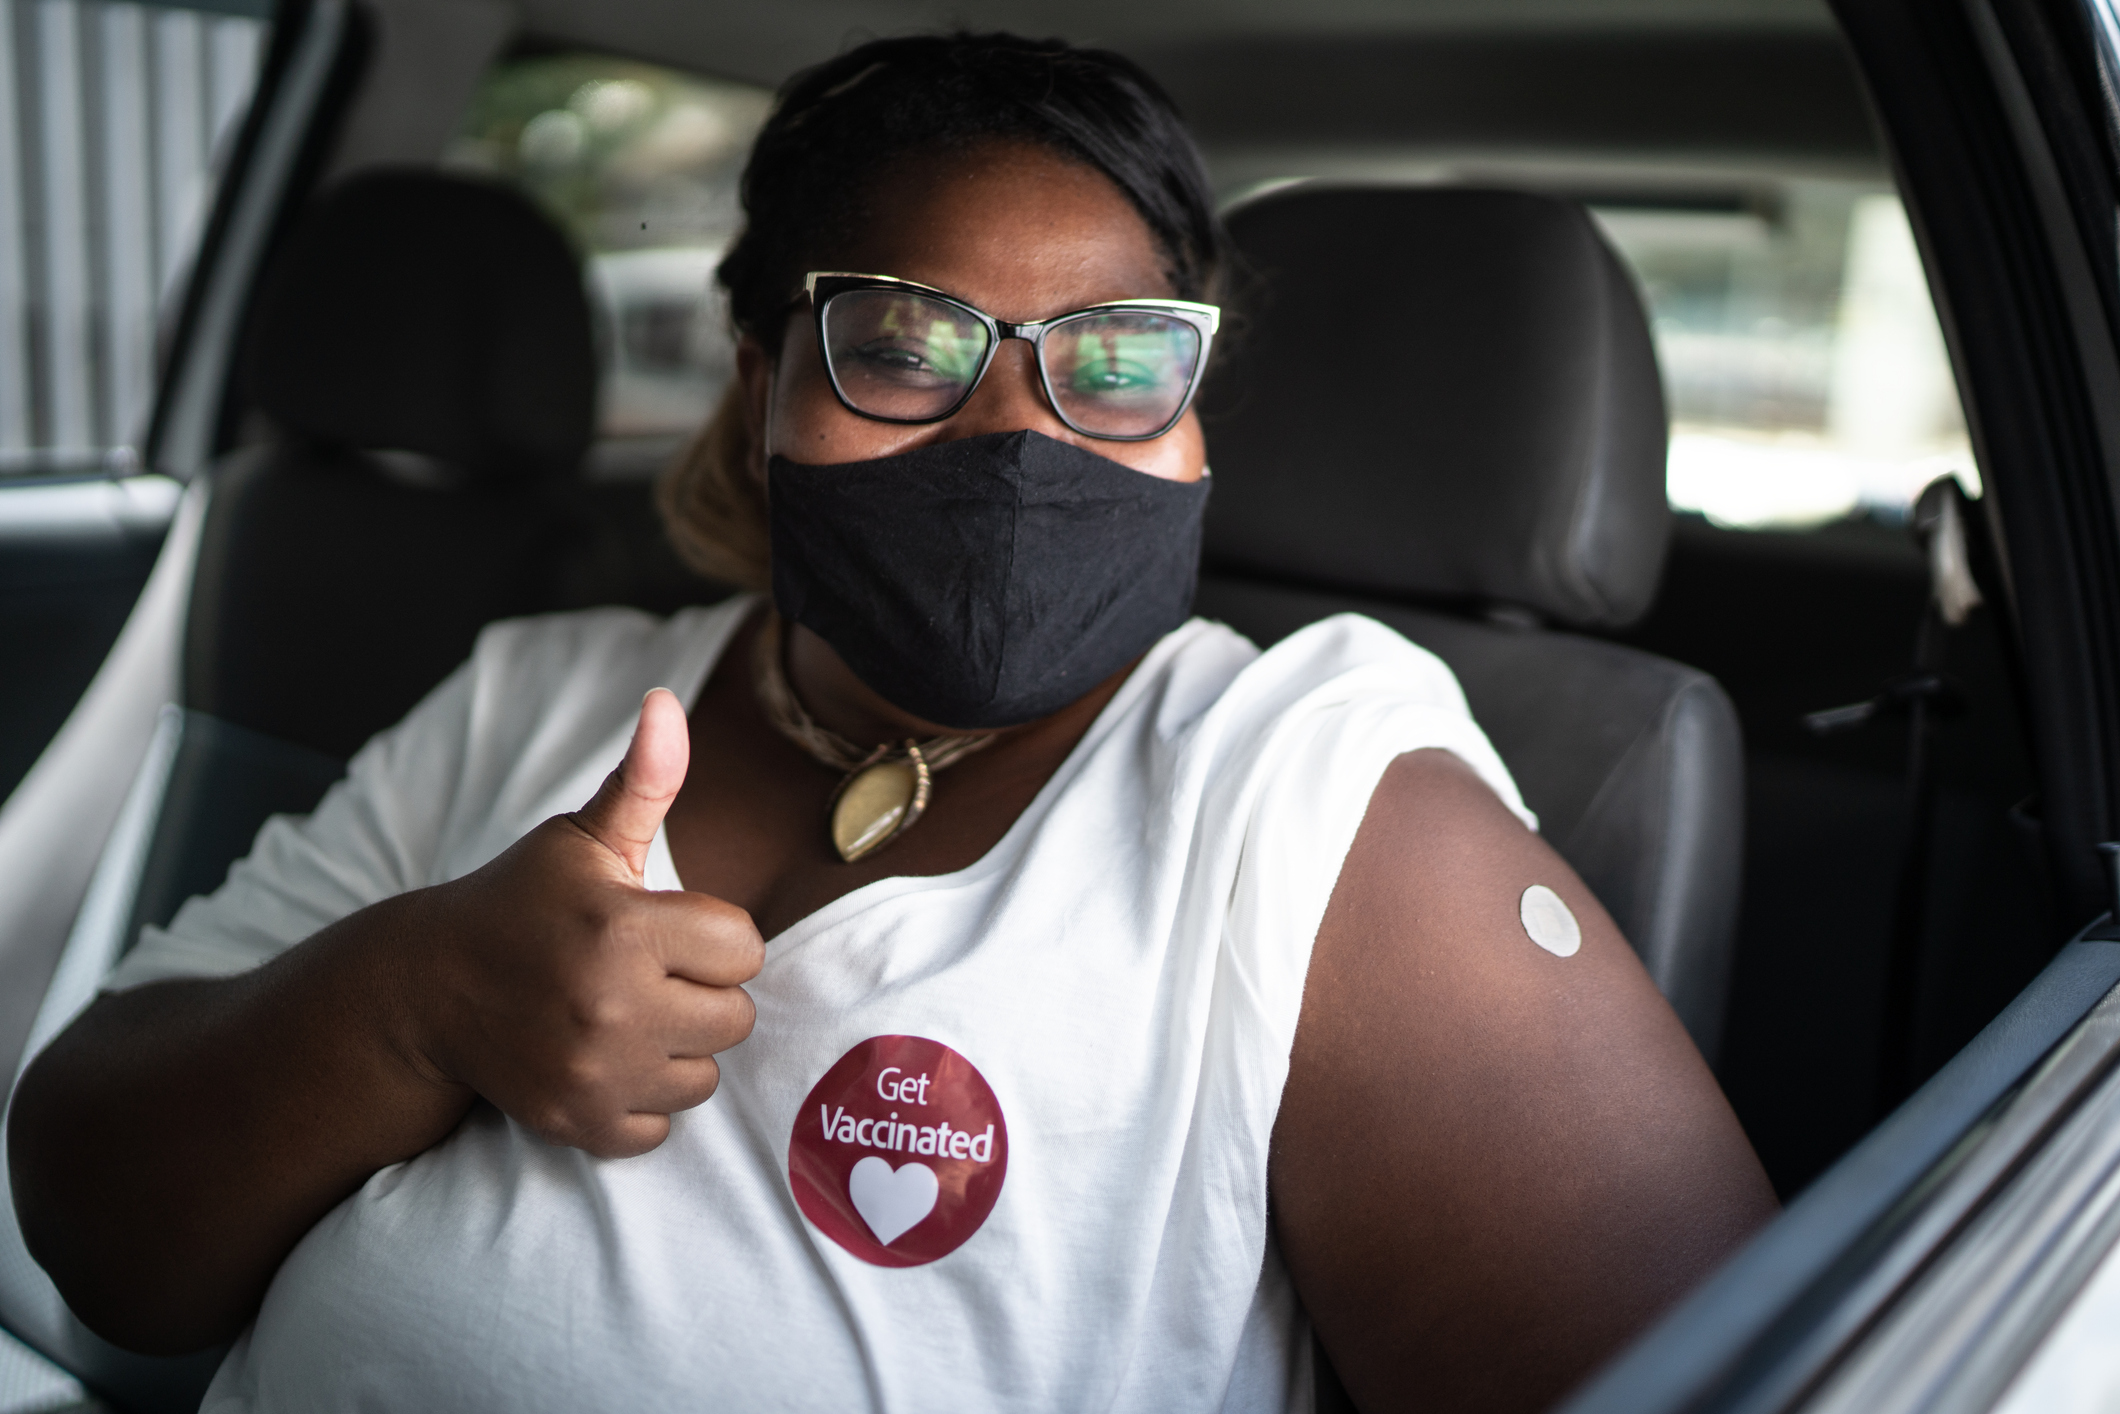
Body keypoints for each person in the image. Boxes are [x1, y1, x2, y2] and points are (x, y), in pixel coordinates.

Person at [9, 33, 1776, 1414]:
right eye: (908, 343)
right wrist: (411, 1003)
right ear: (759, 377)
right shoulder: (540, 692)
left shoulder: (1302, 799)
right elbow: (100, 1221)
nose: (1015, 435)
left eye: (1110, 359)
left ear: (1194, 417)